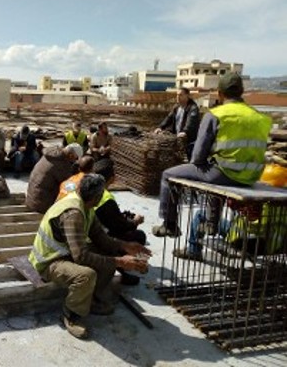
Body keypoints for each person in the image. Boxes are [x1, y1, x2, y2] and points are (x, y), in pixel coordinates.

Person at [28, 174, 152, 339]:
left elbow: (101, 238)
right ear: (97, 197)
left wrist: (125, 245)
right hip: (49, 261)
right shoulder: (74, 214)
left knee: (108, 253)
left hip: (66, 252)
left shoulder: (86, 206)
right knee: (86, 276)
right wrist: (121, 262)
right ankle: (71, 315)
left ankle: (94, 298)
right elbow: (81, 257)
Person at [152, 73, 272, 238]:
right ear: (241, 92)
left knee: (169, 175)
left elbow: (197, 158)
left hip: (225, 173)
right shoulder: (261, 117)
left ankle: (169, 224)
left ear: (220, 94)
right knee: (214, 170)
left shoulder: (216, 114)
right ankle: (211, 224)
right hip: (252, 176)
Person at [92, 159, 147, 285]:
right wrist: (135, 222)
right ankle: (121, 269)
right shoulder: (106, 198)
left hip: (96, 231)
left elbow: (113, 218)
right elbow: (120, 227)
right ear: (111, 178)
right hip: (99, 237)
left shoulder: (91, 190)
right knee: (138, 236)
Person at [26, 143, 83, 214]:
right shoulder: (60, 164)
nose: (75, 161)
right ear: (70, 155)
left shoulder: (52, 155)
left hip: (31, 197)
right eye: (76, 158)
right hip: (40, 204)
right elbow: (70, 184)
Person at [154, 87, 200, 160]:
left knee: (189, 158)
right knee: (176, 157)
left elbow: (191, 121)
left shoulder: (193, 108)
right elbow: (169, 118)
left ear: (187, 96)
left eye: (181, 95)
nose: (178, 97)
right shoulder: (176, 107)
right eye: (177, 95)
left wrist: (185, 131)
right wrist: (161, 127)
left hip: (189, 139)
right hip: (178, 137)